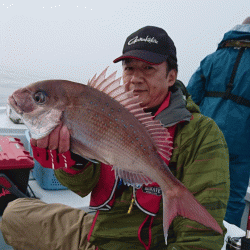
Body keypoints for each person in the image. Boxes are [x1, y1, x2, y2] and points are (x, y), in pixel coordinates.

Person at [0, 26, 230, 250]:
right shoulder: (109, 112)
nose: (136, 78)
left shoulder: (202, 134)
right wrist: (73, 160)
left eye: (148, 68)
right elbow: (82, 187)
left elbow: (200, 238)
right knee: (13, 215)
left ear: (171, 77)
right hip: (99, 235)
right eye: (129, 68)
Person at [187, 17, 250, 228]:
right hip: (242, 144)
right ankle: (224, 236)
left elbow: (190, 99)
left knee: (195, 187)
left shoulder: (212, 59)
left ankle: (189, 234)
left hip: (205, 136)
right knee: (232, 198)